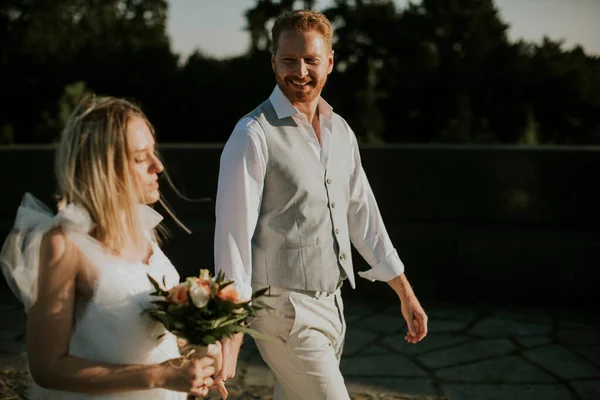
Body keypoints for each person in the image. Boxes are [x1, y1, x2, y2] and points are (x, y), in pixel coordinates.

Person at [214, 9, 428, 400]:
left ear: (329, 61)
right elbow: (232, 237)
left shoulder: (340, 131)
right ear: (273, 61)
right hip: (282, 309)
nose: (300, 71)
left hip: (333, 304)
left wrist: (404, 292)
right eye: (288, 60)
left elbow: (362, 213)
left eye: (311, 60)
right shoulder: (252, 134)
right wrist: (228, 331)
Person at [0, 96, 219, 399]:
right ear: (101, 165)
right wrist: (160, 376)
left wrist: (199, 348)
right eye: (141, 158)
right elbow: (46, 367)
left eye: (153, 153)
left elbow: (143, 334)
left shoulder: (143, 229)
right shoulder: (63, 244)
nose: (158, 166)